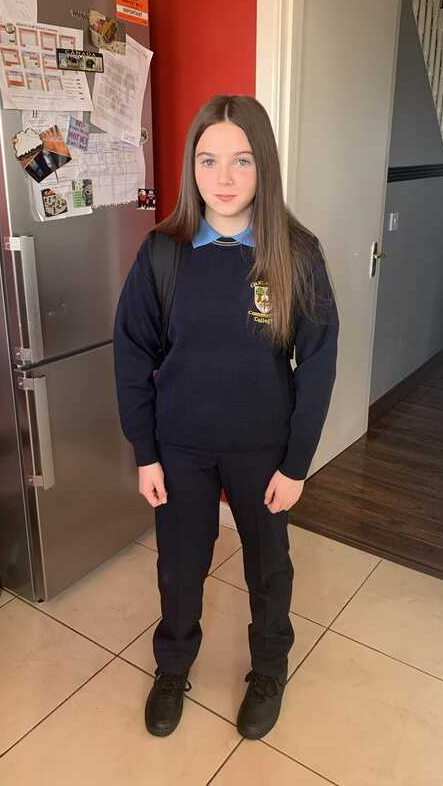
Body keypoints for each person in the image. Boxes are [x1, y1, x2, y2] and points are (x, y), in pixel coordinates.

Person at [113, 94, 339, 740]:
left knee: (268, 567)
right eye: (208, 159)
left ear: (264, 166)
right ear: (192, 167)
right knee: (180, 567)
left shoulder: (295, 253)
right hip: (179, 448)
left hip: (262, 450)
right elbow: (132, 354)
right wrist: (145, 452)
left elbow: (318, 363)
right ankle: (172, 666)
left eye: (242, 160)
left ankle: (268, 668)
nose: (224, 176)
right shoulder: (163, 253)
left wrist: (296, 465)